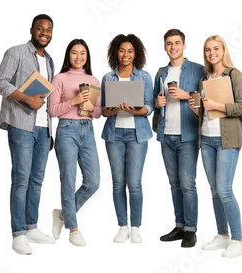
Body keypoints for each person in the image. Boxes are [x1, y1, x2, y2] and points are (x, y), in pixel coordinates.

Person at [0, 14, 56, 255]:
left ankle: (32, 227)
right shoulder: (16, 52)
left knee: (36, 181)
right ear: (32, 30)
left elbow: (47, 97)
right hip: (21, 125)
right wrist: (25, 97)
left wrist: (49, 131)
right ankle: (18, 233)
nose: (44, 32)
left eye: (49, 29)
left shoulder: (49, 60)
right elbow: (0, 82)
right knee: (21, 180)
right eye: (40, 28)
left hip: (42, 129)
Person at [188, 35, 242, 258]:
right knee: (214, 191)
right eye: (207, 49)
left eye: (216, 48)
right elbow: (204, 112)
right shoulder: (203, 78)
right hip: (207, 139)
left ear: (223, 50)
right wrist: (197, 110)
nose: (211, 53)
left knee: (224, 190)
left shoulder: (234, 75)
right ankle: (222, 235)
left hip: (227, 140)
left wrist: (217, 105)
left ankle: (238, 239)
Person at [153, 29, 206, 248]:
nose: (173, 47)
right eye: (169, 43)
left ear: (184, 45)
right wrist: (157, 103)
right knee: (174, 184)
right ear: (165, 47)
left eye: (177, 43)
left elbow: (206, 102)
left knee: (187, 184)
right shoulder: (160, 72)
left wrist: (187, 95)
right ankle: (180, 225)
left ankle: (191, 230)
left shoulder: (198, 70)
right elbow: (155, 103)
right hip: (166, 135)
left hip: (188, 136)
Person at [101, 34, 153, 244]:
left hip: (137, 135)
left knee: (135, 184)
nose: (126, 55)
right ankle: (122, 226)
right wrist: (112, 109)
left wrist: (136, 110)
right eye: (122, 50)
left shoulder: (144, 77)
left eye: (130, 51)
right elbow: (103, 110)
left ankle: (136, 227)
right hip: (114, 135)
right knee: (117, 183)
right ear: (116, 52)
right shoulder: (108, 78)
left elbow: (149, 106)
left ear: (136, 54)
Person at [49, 39, 101, 247]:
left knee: (93, 181)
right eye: (74, 53)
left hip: (87, 130)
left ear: (87, 56)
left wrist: (89, 106)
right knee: (68, 182)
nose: (78, 57)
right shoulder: (59, 78)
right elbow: (52, 110)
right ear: (68, 55)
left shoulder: (93, 79)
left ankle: (62, 215)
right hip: (67, 130)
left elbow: (97, 113)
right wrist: (74, 101)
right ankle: (73, 229)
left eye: (82, 53)